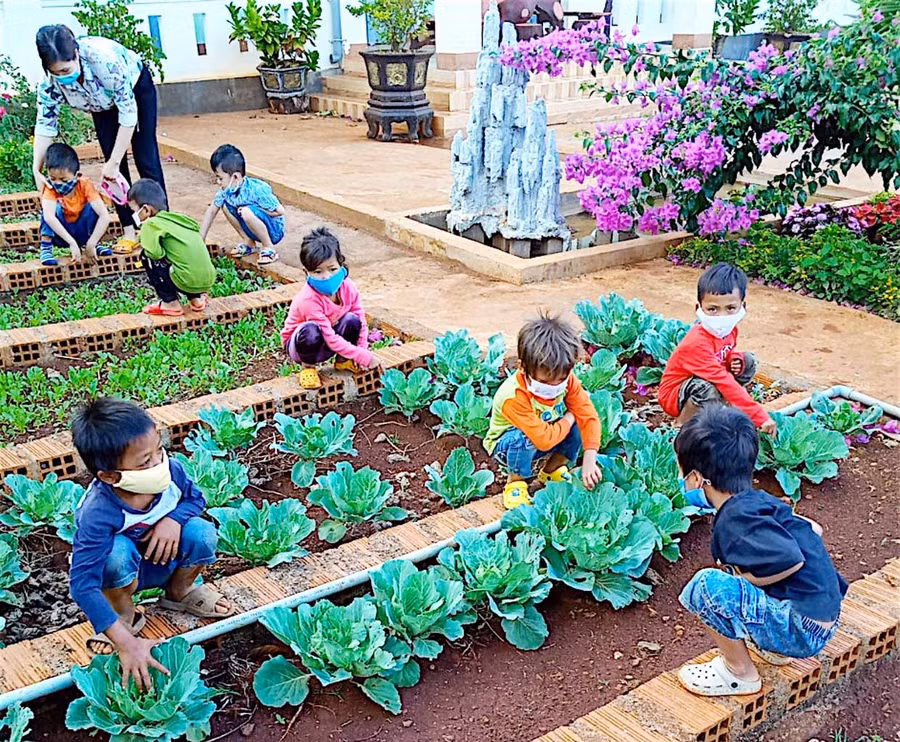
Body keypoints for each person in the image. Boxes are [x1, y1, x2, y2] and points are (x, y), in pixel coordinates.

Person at [674, 405, 846, 697]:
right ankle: (774, 647)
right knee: (744, 576)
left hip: (802, 630)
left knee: (705, 587)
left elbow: (791, 560)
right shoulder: (757, 501)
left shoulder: (734, 521)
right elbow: (813, 529)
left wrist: (747, 581)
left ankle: (739, 674)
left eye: (681, 470)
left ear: (697, 477)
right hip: (822, 616)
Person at [70, 397, 234, 687]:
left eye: (159, 451)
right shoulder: (98, 512)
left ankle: (179, 592)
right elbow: (82, 584)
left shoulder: (170, 472)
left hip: (166, 559)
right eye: (145, 461)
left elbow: (196, 499)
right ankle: (123, 615)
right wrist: (124, 645)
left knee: (201, 532)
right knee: (115, 554)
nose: (159, 462)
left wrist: (172, 521)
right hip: (124, 574)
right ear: (109, 476)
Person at [32, 25, 167, 254]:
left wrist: (115, 161)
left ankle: (161, 226)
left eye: (66, 70)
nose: (63, 77)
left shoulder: (105, 62)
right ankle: (129, 231)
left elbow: (128, 114)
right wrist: (37, 169)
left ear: (76, 53)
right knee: (112, 168)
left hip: (135, 89)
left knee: (146, 156)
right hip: (101, 105)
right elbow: (45, 125)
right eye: (57, 72)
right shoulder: (49, 85)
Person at [483, 313, 603, 509]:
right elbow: (542, 439)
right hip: (507, 444)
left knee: (578, 427)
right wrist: (571, 416)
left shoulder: (568, 380)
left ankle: (551, 471)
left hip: (547, 431)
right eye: (546, 382)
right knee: (524, 438)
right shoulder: (512, 396)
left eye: (561, 379)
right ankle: (515, 483)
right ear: (523, 368)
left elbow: (588, 415)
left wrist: (590, 458)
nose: (555, 386)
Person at [659, 263, 776, 434]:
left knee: (747, 360)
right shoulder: (696, 343)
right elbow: (722, 379)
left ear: (742, 306)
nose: (722, 317)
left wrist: (733, 359)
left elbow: (723, 353)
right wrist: (759, 416)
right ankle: (682, 428)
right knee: (706, 387)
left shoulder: (730, 330)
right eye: (713, 309)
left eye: (730, 308)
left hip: (707, 379)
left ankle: (719, 406)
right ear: (698, 308)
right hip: (675, 396)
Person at [280, 227, 381, 388]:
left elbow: (360, 319)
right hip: (301, 346)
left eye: (332, 269)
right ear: (306, 273)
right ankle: (308, 368)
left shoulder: (348, 287)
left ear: (341, 264)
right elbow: (329, 338)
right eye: (317, 271)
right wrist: (365, 358)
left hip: (330, 337)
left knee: (352, 320)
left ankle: (343, 360)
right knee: (310, 329)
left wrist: (362, 352)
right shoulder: (308, 299)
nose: (326, 276)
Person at [127, 178, 216, 317]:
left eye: (134, 210)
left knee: (146, 256)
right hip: (207, 279)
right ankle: (196, 299)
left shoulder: (151, 224)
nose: (133, 215)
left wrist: (144, 238)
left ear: (146, 209)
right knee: (182, 257)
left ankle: (170, 302)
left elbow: (155, 253)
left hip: (185, 280)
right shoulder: (179, 220)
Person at [199, 144, 284, 265]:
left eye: (220, 178)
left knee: (246, 212)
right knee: (224, 205)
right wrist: (201, 238)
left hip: (273, 230)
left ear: (235, 177)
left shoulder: (257, 190)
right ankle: (248, 241)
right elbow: (212, 210)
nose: (218, 182)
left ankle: (268, 248)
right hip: (251, 226)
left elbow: (280, 211)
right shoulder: (226, 191)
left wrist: (255, 210)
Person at [38, 142, 111, 266]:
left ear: (77, 175)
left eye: (64, 180)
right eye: (53, 178)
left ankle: (95, 244)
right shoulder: (50, 188)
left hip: (82, 230)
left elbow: (104, 215)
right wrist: (71, 242)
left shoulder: (84, 185)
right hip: (60, 234)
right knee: (48, 211)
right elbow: (49, 217)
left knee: (92, 208)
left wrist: (92, 242)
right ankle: (46, 248)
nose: (58, 183)